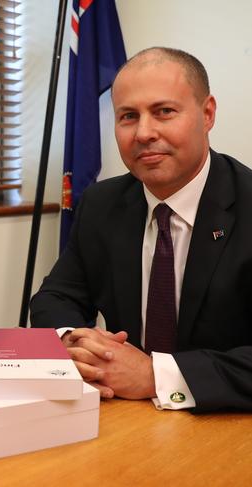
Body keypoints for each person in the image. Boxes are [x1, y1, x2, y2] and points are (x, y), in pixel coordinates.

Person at [30, 47, 252, 412]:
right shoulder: (102, 204)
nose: (144, 133)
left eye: (164, 111)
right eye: (128, 116)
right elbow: (55, 298)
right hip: (123, 420)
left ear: (207, 113)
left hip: (224, 429)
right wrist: (74, 342)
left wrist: (155, 375)